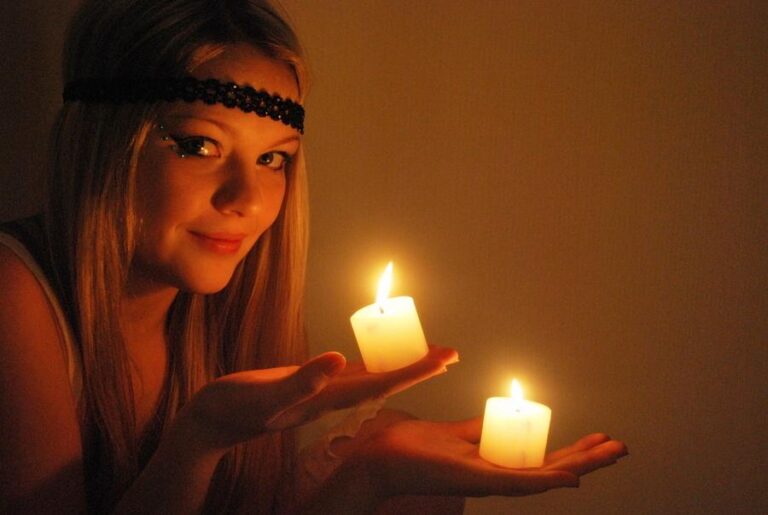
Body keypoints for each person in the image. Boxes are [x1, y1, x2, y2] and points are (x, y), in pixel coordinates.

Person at [0, 0, 628, 513]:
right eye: (199, 145)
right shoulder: (15, 292)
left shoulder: (222, 314)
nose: (248, 199)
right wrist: (201, 438)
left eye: (273, 158)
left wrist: (372, 475)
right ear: (106, 142)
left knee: (404, 472)